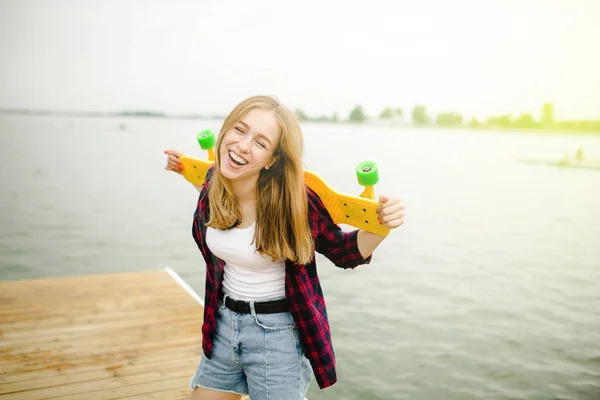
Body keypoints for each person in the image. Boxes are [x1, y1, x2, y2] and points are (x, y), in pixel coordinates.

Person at [163, 95, 405, 400]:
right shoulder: (214, 183)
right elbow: (202, 179)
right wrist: (181, 166)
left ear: (273, 160)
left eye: (261, 143)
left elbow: (344, 252)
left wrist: (382, 225)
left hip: (275, 335)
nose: (242, 145)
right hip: (222, 324)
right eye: (239, 130)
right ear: (224, 131)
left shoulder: (295, 202)